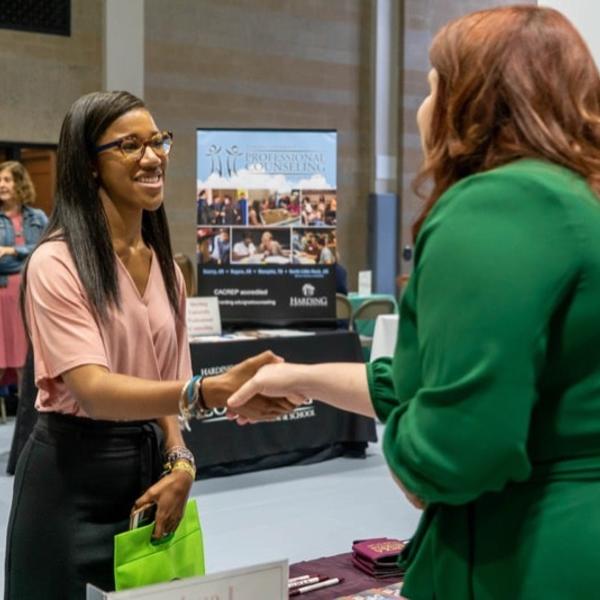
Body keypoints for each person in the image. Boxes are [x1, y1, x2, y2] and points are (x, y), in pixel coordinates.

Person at [227, 7, 600, 599]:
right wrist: (295, 374)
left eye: (431, 89)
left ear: (471, 101)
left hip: (523, 558)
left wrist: (409, 452)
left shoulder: (496, 203)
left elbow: (458, 443)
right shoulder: (575, 200)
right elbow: (438, 385)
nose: (422, 109)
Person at [4, 91, 294, 599]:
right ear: (89, 165)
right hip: (68, 482)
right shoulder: (55, 263)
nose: (153, 155)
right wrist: (207, 392)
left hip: (148, 479)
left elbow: (163, 388)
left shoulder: (166, 268)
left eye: (158, 141)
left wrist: (181, 459)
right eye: (131, 145)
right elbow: (94, 390)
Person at [0, 161, 47, 396]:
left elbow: (47, 248)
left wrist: (12, 251)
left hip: (28, 292)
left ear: (19, 183)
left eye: (6, 180)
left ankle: (27, 417)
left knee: (24, 359)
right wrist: (27, 254)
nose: (1, 185)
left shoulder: (37, 216)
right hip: (2, 292)